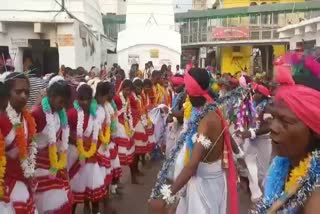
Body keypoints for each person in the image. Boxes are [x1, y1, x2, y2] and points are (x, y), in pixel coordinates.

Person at [149, 68, 238, 214]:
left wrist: (165, 197)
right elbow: (208, 144)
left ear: (193, 93)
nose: (187, 96)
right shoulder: (212, 110)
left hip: (206, 187)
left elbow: (192, 165)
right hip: (207, 181)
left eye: (188, 92)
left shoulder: (206, 121)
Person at [250, 55, 320, 213]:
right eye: (274, 117)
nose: (273, 127)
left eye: (285, 122)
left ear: (315, 130)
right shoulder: (281, 164)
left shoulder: (315, 192)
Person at [31, 75, 73, 213]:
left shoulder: (59, 113)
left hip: (54, 165)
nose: (63, 106)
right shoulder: (37, 113)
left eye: (65, 103)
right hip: (38, 167)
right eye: (61, 102)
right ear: (52, 96)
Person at [0, 72, 38, 213]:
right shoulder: (2, 118)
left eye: (27, 92)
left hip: (24, 180)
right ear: (7, 93)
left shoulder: (28, 118)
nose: (24, 96)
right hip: (6, 186)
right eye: (18, 92)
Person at [67, 83, 106, 214]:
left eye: (86, 99)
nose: (83, 102)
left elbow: (98, 135)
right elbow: (64, 134)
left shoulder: (95, 116)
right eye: (81, 99)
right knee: (74, 189)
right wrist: (79, 143)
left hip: (91, 156)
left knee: (93, 188)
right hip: (74, 155)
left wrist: (92, 147)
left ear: (91, 99)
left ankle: (94, 210)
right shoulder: (72, 114)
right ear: (76, 99)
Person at [236, 83, 272, 202]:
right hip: (252, 140)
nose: (253, 95)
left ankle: (266, 198)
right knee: (244, 159)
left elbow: (268, 127)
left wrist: (251, 133)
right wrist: (242, 130)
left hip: (263, 141)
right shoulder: (254, 105)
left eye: (256, 93)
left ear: (262, 95)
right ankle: (253, 190)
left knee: (263, 172)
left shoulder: (268, 107)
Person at [113, 80, 136, 182]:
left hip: (126, 126)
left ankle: (130, 178)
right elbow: (113, 113)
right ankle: (115, 182)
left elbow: (128, 113)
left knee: (129, 152)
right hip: (119, 128)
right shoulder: (117, 98)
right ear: (122, 88)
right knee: (117, 156)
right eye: (126, 90)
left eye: (130, 91)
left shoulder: (127, 98)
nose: (128, 92)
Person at [130, 78, 149, 179]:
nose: (140, 89)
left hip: (139, 123)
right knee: (134, 152)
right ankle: (133, 175)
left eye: (141, 87)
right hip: (134, 125)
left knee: (137, 151)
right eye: (138, 87)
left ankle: (136, 170)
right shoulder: (131, 97)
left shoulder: (138, 97)